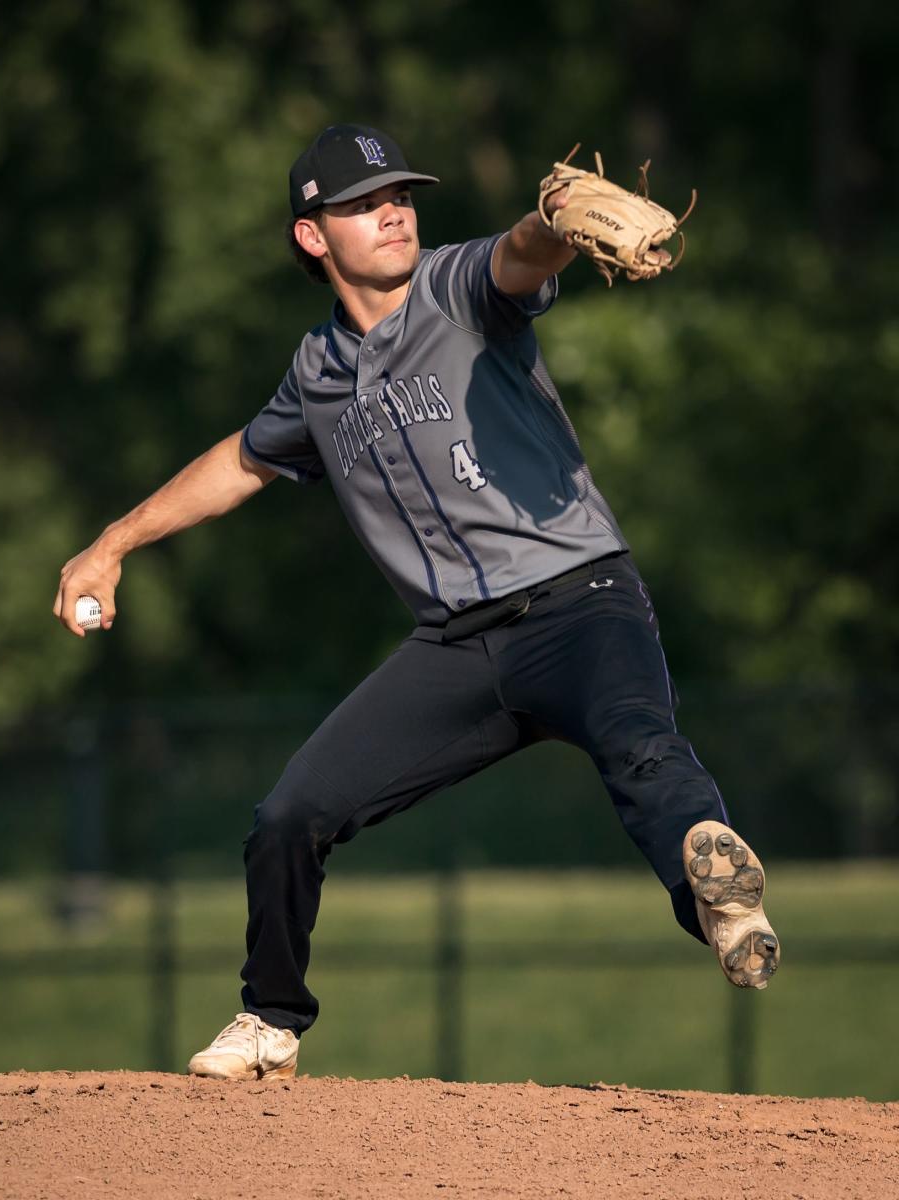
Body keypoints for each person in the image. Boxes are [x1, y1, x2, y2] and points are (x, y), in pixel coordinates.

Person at [54, 124, 780, 1082]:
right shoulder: (316, 376)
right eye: (362, 202)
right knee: (287, 816)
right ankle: (270, 1017)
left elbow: (522, 256)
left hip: (582, 603)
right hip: (456, 652)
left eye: (400, 193)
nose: (392, 210)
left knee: (643, 750)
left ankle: (723, 903)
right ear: (313, 236)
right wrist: (113, 544)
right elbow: (237, 464)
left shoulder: (456, 286)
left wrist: (555, 218)